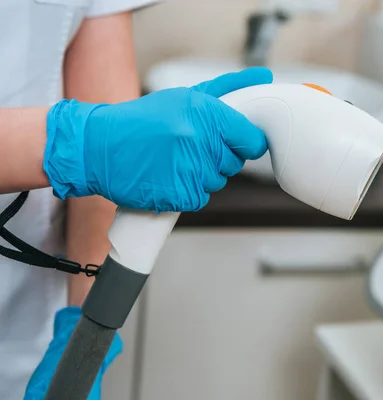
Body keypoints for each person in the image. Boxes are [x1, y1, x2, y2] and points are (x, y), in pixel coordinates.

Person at [0, 2, 272, 399]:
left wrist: (82, 331)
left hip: (27, 319)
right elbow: (98, 140)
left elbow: (101, 96)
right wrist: (80, 142)